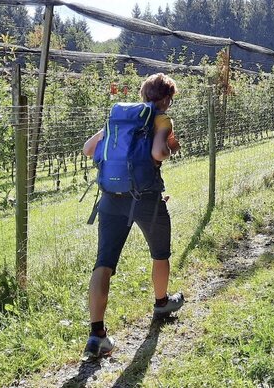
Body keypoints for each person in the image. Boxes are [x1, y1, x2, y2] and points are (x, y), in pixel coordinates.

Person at [80, 72, 184, 358]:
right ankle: (162, 302)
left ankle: (97, 333)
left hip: (111, 198)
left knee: (104, 262)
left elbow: (89, 149)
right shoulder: (161, 118)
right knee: (160, 252)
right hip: (147, 198)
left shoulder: (118, 119)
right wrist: (171, 146)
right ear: (165, 99)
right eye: (170, 100)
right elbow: (159, 153)